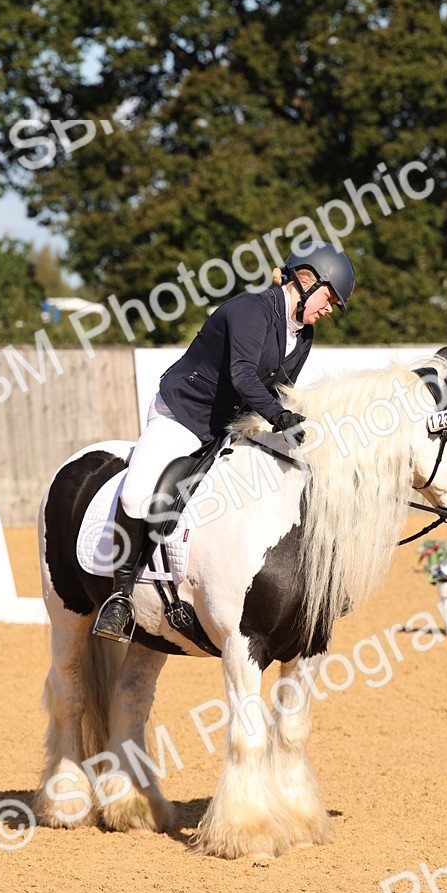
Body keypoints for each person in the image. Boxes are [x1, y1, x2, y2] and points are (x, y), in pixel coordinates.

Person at [93, 241, 356, 641]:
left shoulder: (303, 335)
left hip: (233, 424)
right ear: (305, 281)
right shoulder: (251, 309)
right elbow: (243, 375)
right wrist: (279, 416)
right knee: (136, 495)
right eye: (328, 298)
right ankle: (121, 596)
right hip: (183, 415)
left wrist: (301, 422)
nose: (328, 309)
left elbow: (282, 389)